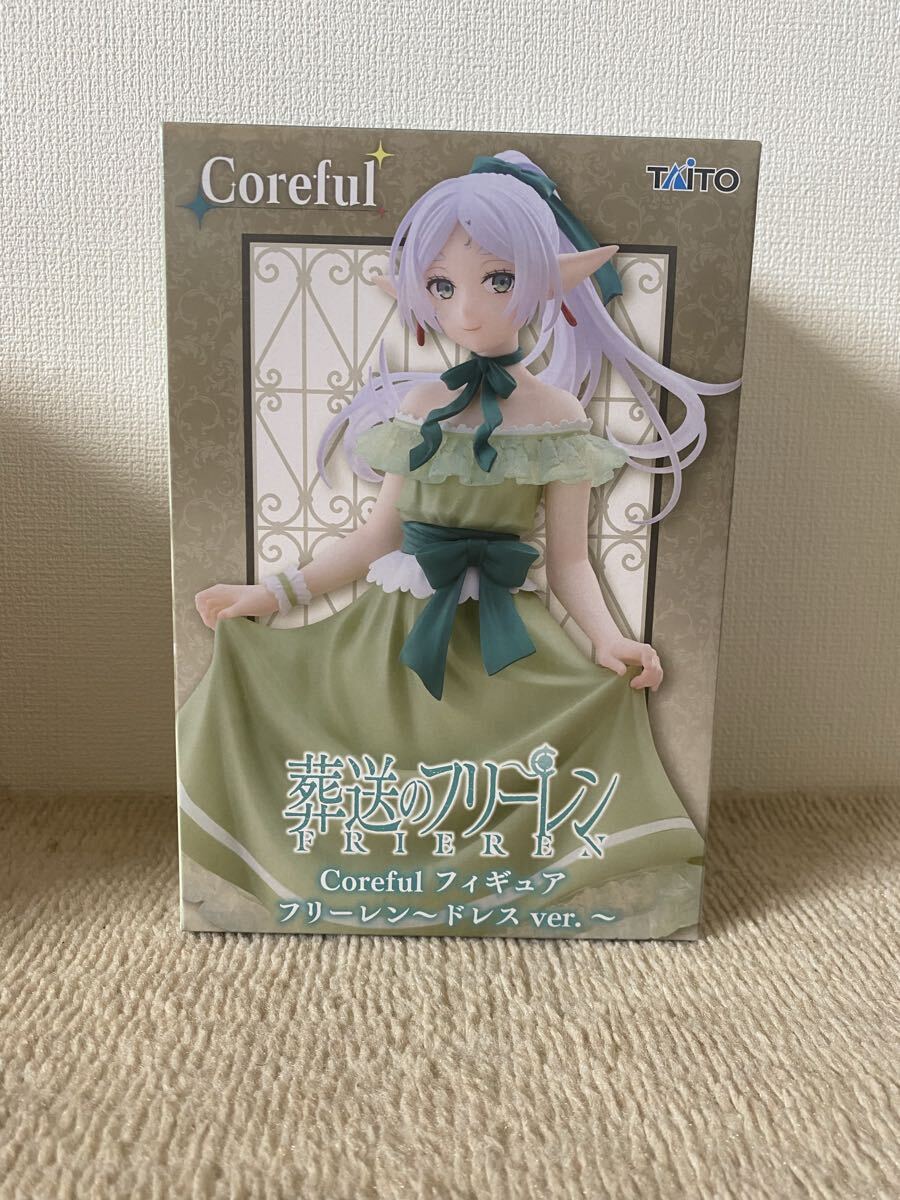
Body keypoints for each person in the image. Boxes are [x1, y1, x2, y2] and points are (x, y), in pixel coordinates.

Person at [176, 150, 740, 939]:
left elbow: (569, 559)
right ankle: (362, 883)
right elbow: (376, 537)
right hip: (392, 632)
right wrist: (271, 594)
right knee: (363, 758)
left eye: (497, 279)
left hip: (506, 637)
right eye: (442, 286)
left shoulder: (558, 418)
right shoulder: (418, 404)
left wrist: (609, 639)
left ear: (543, 281)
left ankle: (492, 891)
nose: (468, 308)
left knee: (524, 764)